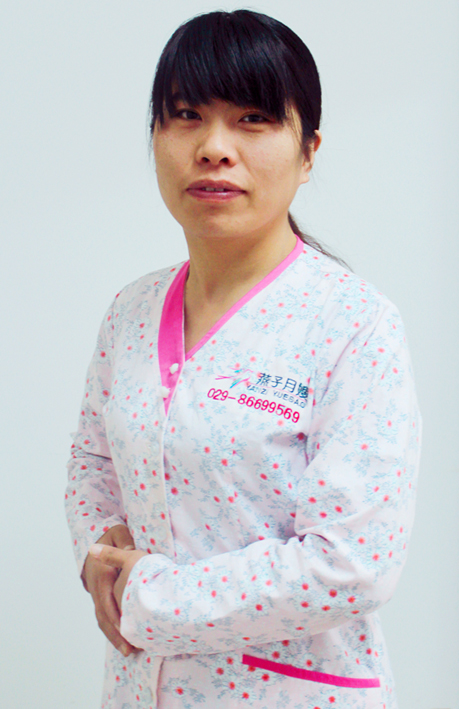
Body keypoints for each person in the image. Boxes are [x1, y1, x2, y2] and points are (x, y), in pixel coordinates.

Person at [65, 9, 421, 709]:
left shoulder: (353, 324)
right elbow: (92, 460)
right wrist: (100, 551)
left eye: (253, 119)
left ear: (308, 151)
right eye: (186, 116)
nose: (214, 148)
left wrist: (150, 597)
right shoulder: (130, 311)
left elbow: (354, 561)